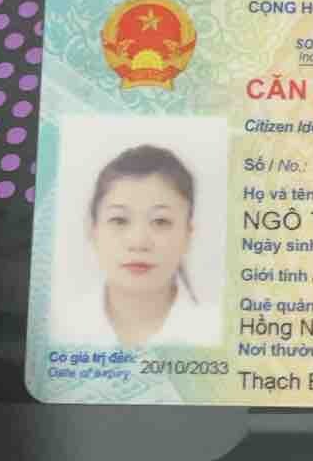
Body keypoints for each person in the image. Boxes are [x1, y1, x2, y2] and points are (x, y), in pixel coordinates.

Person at [57, 143, 219, 350]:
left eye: (160, 221)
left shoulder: (216, 334)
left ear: (188, 235)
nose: (139, 242)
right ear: (93, 231)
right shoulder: (60, 329)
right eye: (119, 220)